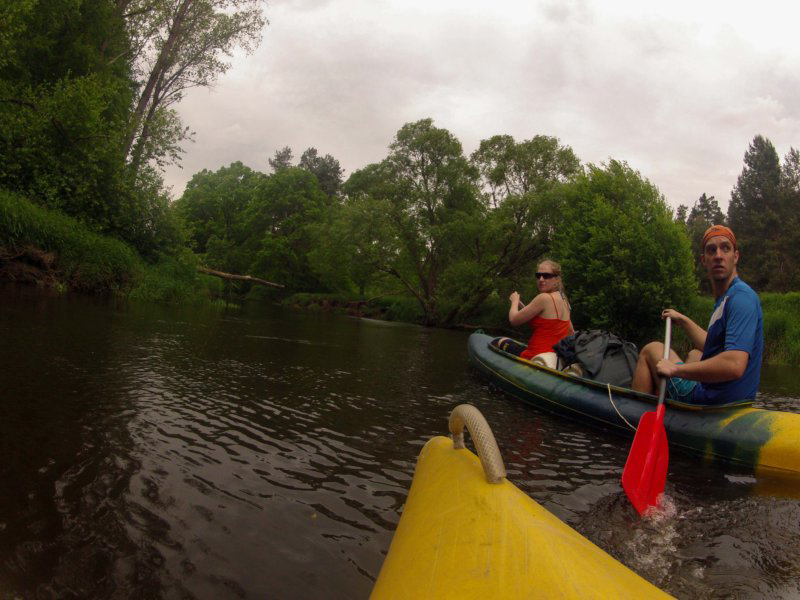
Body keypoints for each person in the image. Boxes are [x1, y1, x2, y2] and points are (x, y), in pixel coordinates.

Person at [631, 225, 763, 405]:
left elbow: (734, 365)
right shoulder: (726, 298)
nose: (718, 255)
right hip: (725, 396)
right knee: (695, 353)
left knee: (651, 349)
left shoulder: (741, 298)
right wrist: (684, 320)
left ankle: (633, 415)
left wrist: (675, 370)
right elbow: (711, 344)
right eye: (711, 250)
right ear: (704, 260)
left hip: (711, 400)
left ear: (736, 256)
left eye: (725, 248)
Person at [508, 260, 573, 367]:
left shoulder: (543, 298)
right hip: (554, 359)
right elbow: (571, 331)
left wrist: (514, 301)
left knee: (500, 341)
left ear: (556, 279)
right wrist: (521, 305)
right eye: (538, 275)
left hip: (535, 357)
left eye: (546, 276)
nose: (541, 279)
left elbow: (513, 320)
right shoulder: (563, 298)